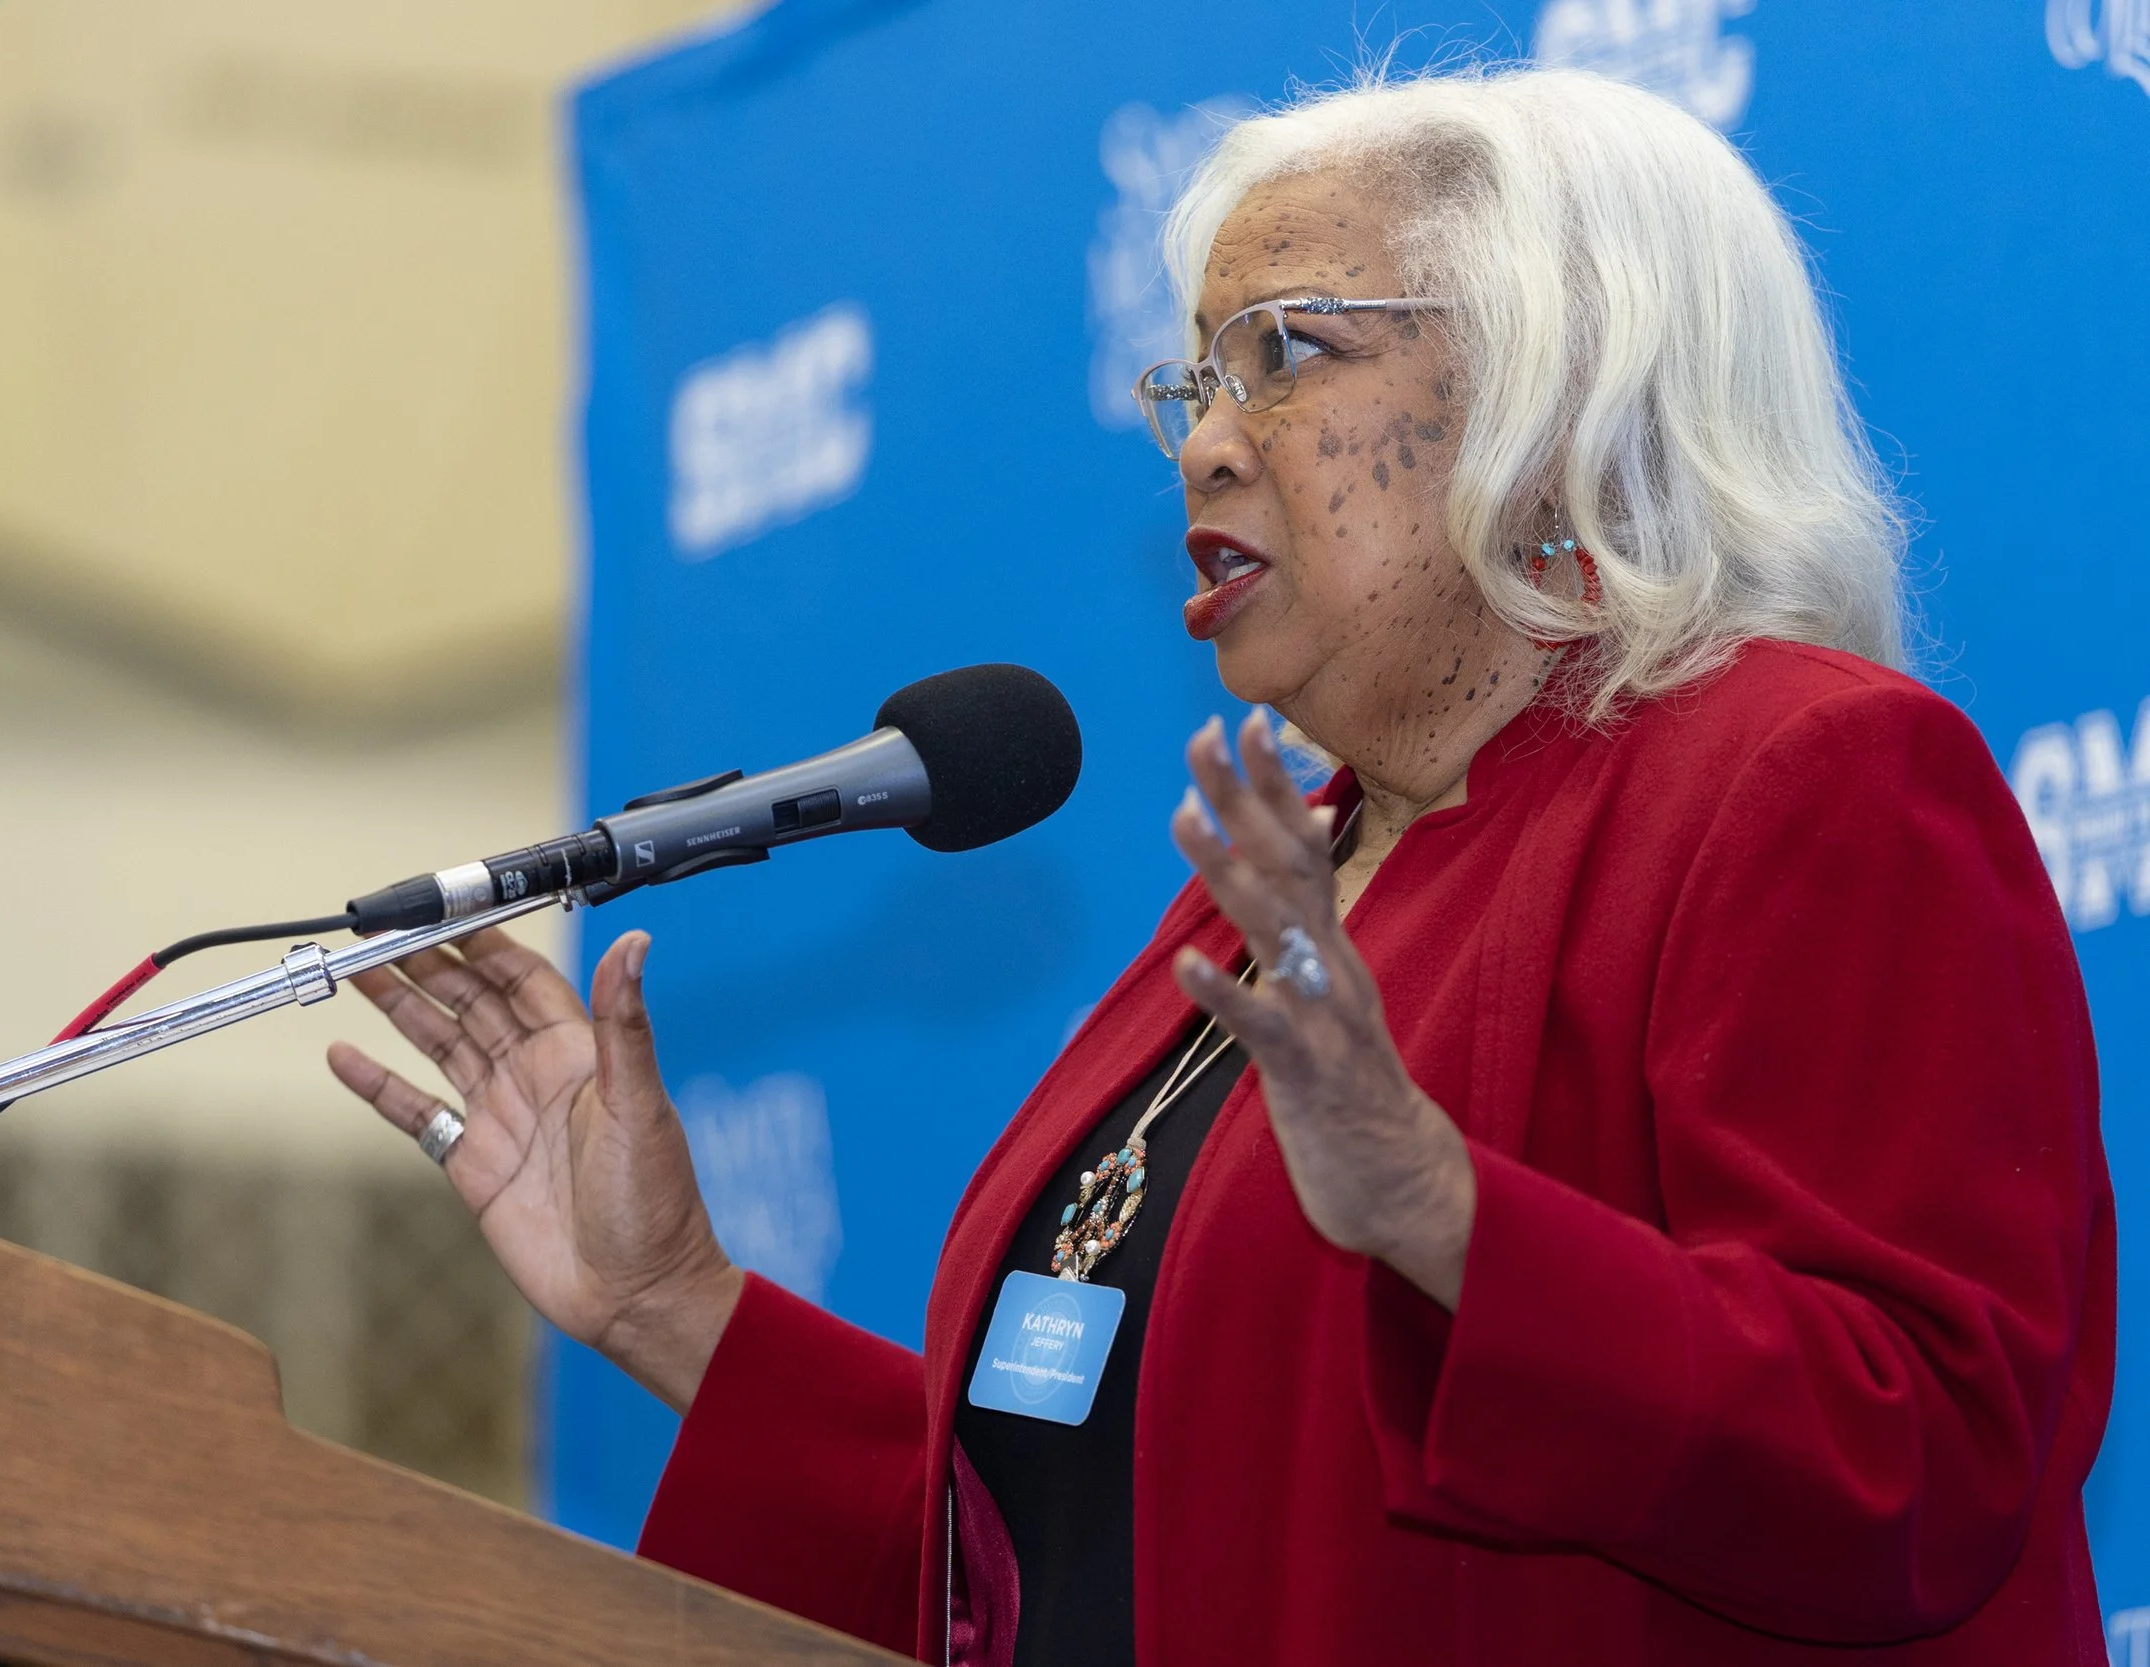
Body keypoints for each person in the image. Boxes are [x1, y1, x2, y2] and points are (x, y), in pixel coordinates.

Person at [325, 65, 2113, 1667]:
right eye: (1197, 369)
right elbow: (1073, 1545)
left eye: (1291, 351)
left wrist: (1442, 1211)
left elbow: (1925, 1458)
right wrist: (669, 1303)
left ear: (1566, 379)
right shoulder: (1300, 879)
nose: (1201, 435)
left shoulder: (1803, 778)